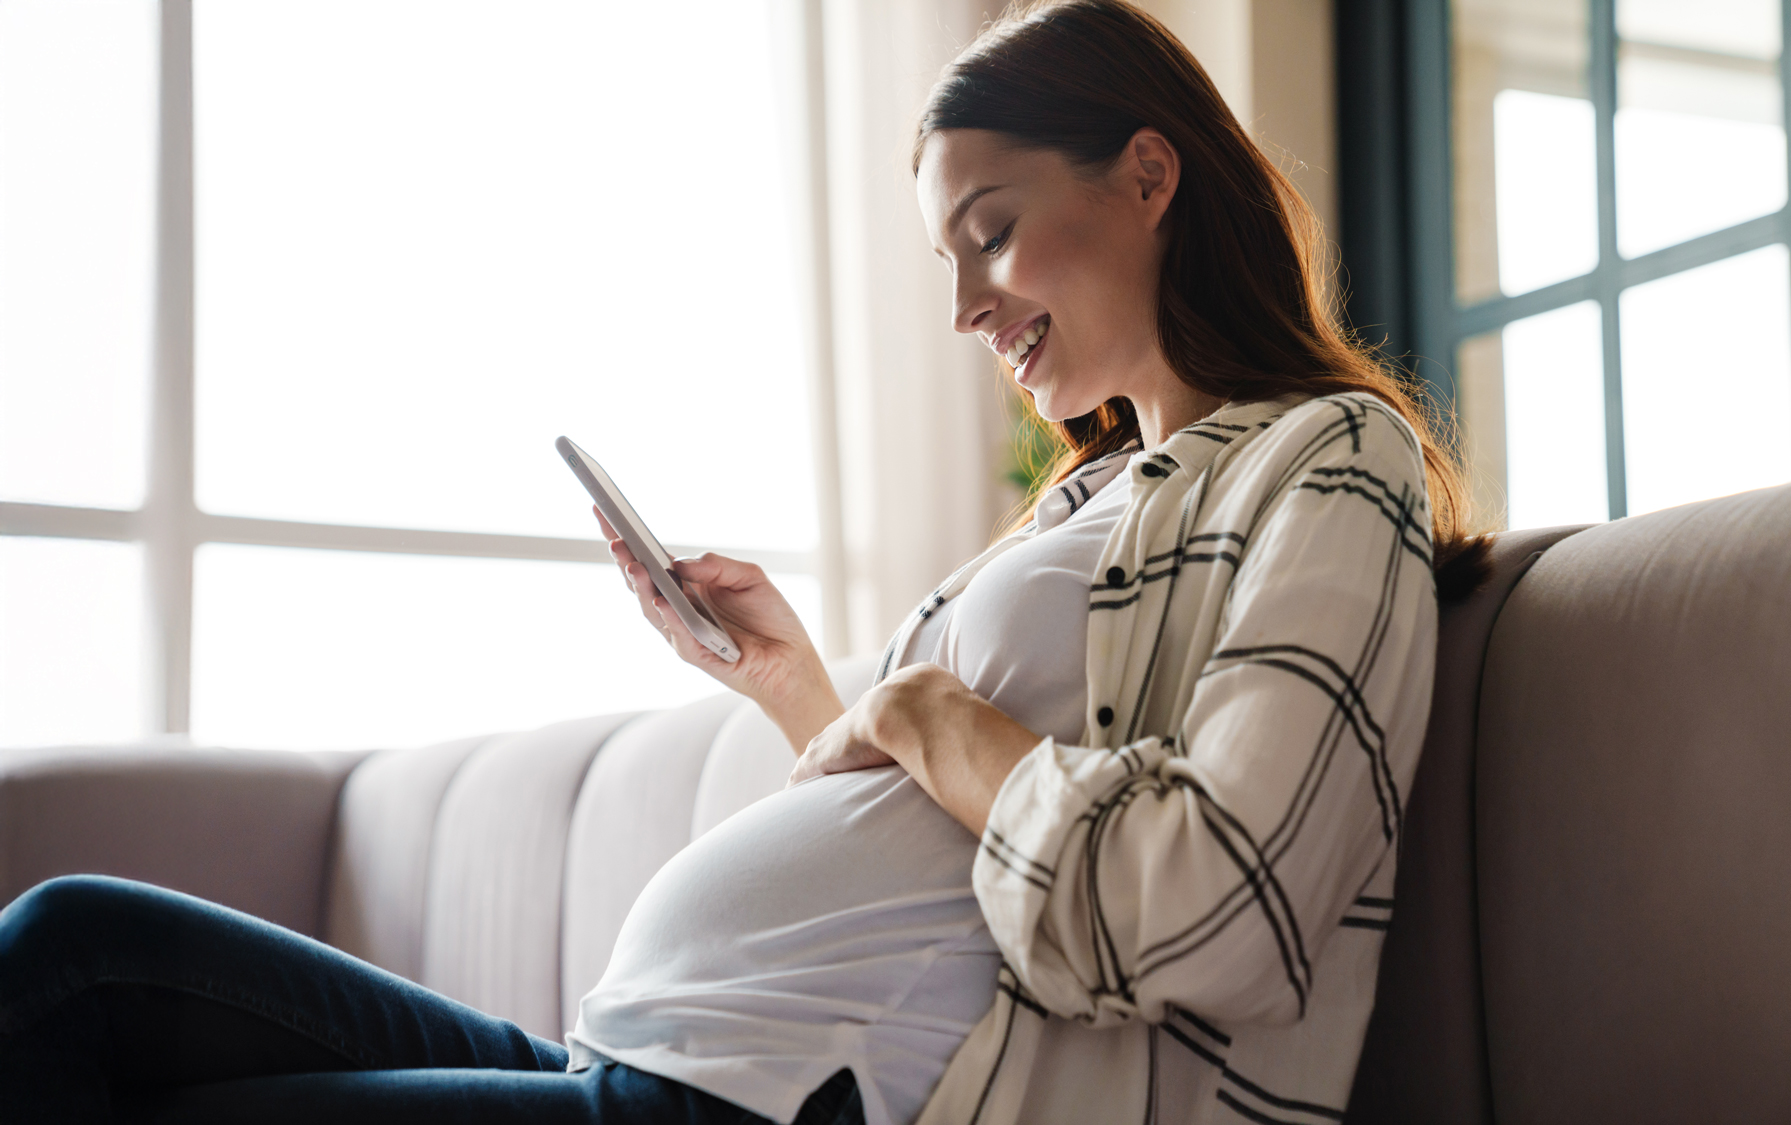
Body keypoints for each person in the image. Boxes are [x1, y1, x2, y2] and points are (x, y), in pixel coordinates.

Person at [0, 2, 1486, 1123]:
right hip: (652, 1049)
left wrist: (912, 709)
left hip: (758, 1097)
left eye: (992, 232)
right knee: (74, 939)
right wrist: (800, 689)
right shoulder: (1094, 491)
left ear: (1148, 174)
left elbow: (1210, 906)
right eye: (944, 261)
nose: (966, 305)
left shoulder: (1326, 459)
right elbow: (945, 844)